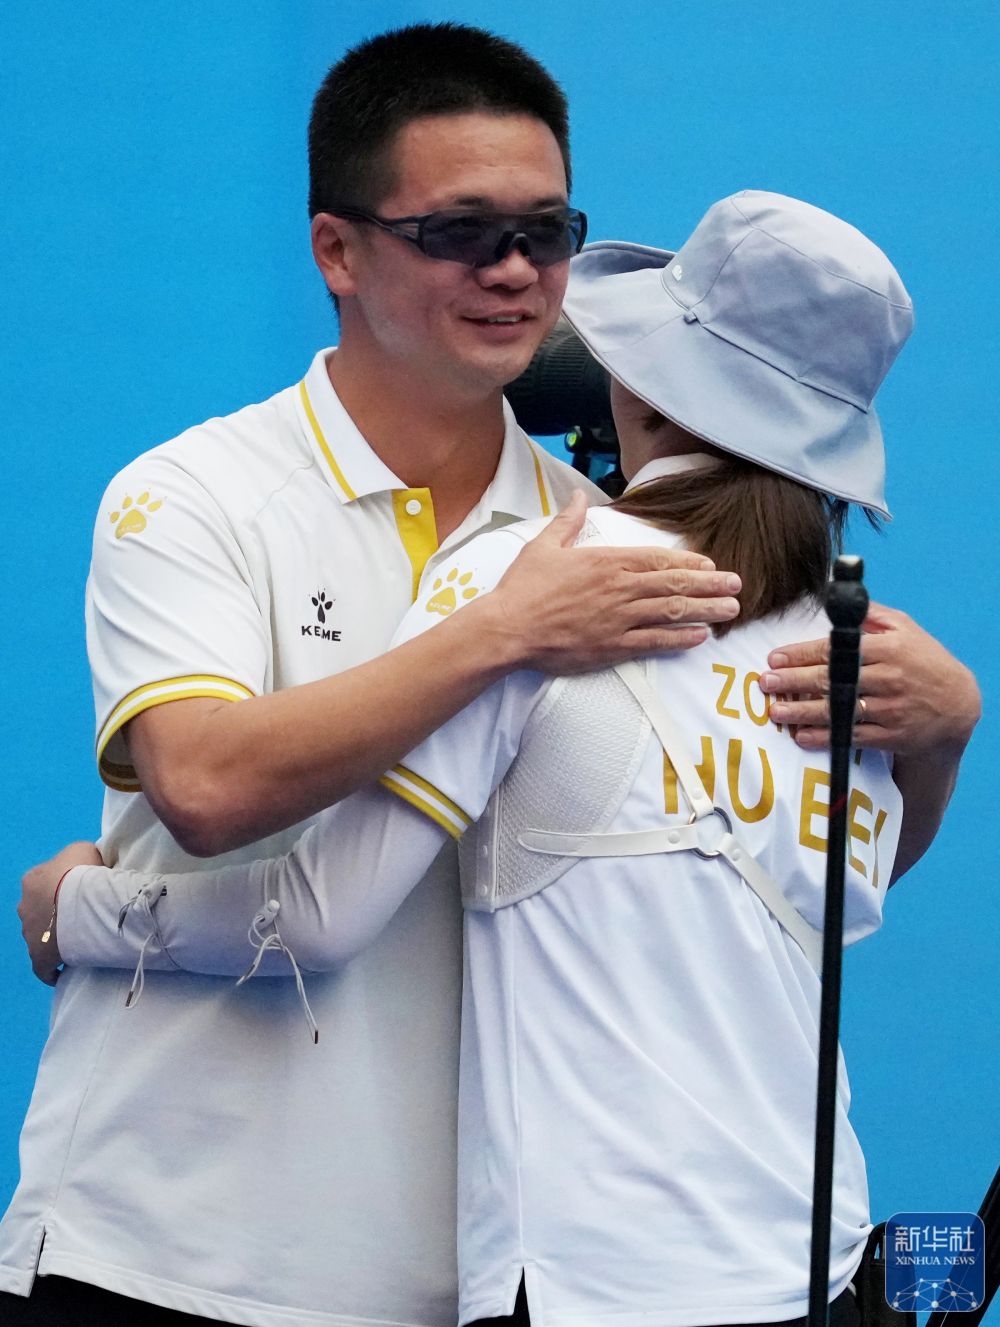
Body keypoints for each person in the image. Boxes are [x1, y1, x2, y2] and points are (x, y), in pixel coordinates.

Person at [22, 192, 980, 1327]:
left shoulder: (533, 578)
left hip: (587, 1284)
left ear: (640, 385)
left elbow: (320, 918)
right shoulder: (867, 656)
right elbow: (832, 895)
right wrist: (946, 740)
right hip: (814, 1269)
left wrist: (78, 911)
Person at [0, 23, 744, 1327]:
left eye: (546, 232)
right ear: (335, 251)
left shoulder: (605, 544)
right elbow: (205, 784)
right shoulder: (192, 492)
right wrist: (504, 630)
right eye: (460, 232)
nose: (513, 270)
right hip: (151, 1250)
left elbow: (734, 876)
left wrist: (936, 737)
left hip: (453, 1278)